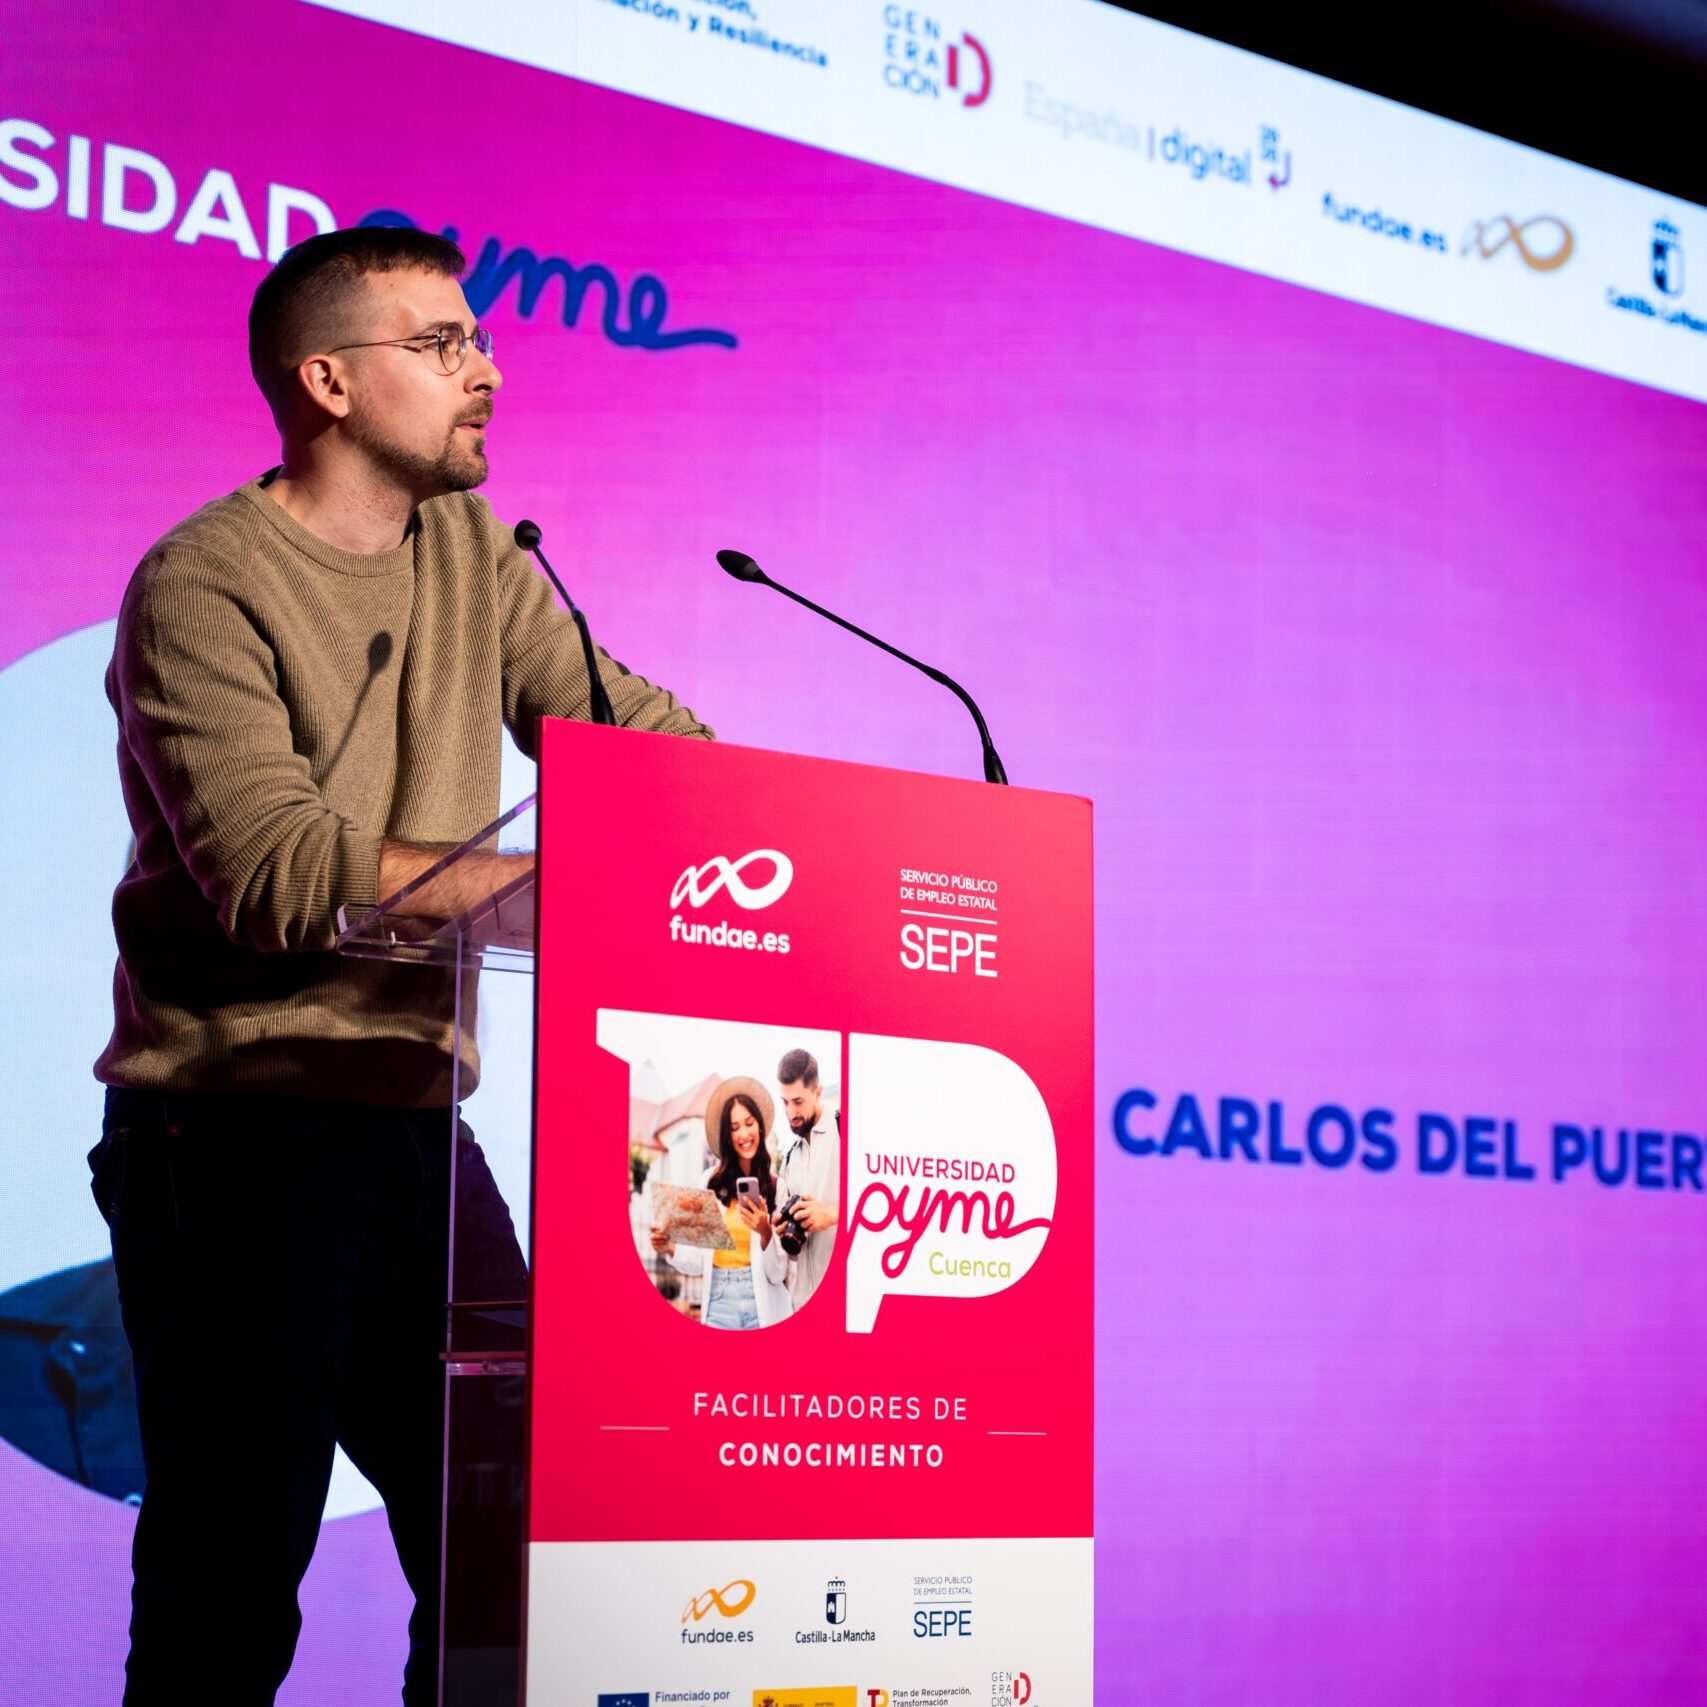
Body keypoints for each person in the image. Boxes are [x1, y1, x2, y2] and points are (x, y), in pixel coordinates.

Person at [85, 225, 713, 1707]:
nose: (484, 370)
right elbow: (277, 871)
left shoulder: (478, 556)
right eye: (439, 344)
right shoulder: (203, 582)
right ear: (327, 381)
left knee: (515, 1549)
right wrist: (575, 893)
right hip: (231, 1133)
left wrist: (743, 835)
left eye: (479, 339)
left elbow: (637, 738)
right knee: (230, 1588)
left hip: (417, 1133)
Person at [651, 1077, 792, 1329]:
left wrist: (765, 1233)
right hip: (719, 1302)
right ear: (728, 1136)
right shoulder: (709, 1182)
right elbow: (697, 1261)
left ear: (760, 1127)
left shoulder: (776, 1187)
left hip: (762, 1306)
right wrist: (669, 1247)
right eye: (735, 1127)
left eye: (749, 1123)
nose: (744, 1134)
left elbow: (777, 1274)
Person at [774, 1047, 840, 1310]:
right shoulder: (790, 1159)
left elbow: (882, 1204)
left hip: (843, 1303)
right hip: (802, 1306)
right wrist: (781, 1232)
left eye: (798, 1101)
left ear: (818, 1092)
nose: (791, 1113)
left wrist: (832, 1214)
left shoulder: (846, 1132)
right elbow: (793, 1257)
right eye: (785, 1102)